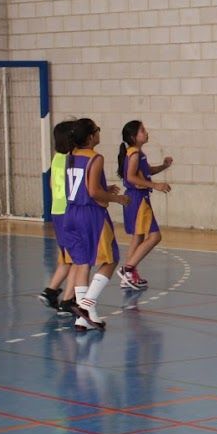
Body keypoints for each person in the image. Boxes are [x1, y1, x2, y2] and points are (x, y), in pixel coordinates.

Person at [64, 118, 130, 332]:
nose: (99, 133)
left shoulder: (71, 155)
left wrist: (105, 188)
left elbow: (85, 186)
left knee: (83, 262)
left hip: (71, 212)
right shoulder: (96, 157)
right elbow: (92, 192)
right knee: (111, 259)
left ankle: (83, 319)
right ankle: (86, 305)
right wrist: (117, 199)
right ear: (91, 136)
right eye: (97, 130)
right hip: (90, 214)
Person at [117, 120, 173, 290]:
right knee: (155, 236)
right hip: (138, 199)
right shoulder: (134, 154)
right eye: (142, 130)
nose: (146, 132)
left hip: (135, 198)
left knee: (138, 236)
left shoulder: (136, 153)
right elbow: (131, 177)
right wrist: (156, 185)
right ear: (134, 136)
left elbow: (147, 171)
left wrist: (164, 166)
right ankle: (128, 268)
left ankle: (128, 277)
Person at [38, 119, 78, 315]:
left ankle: (51, 291)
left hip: (57, 210)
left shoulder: (57, 158)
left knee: (66, 258)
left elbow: (53, 186)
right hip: (69, 212)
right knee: (78, 259)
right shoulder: (73, 160)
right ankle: (68, 300)